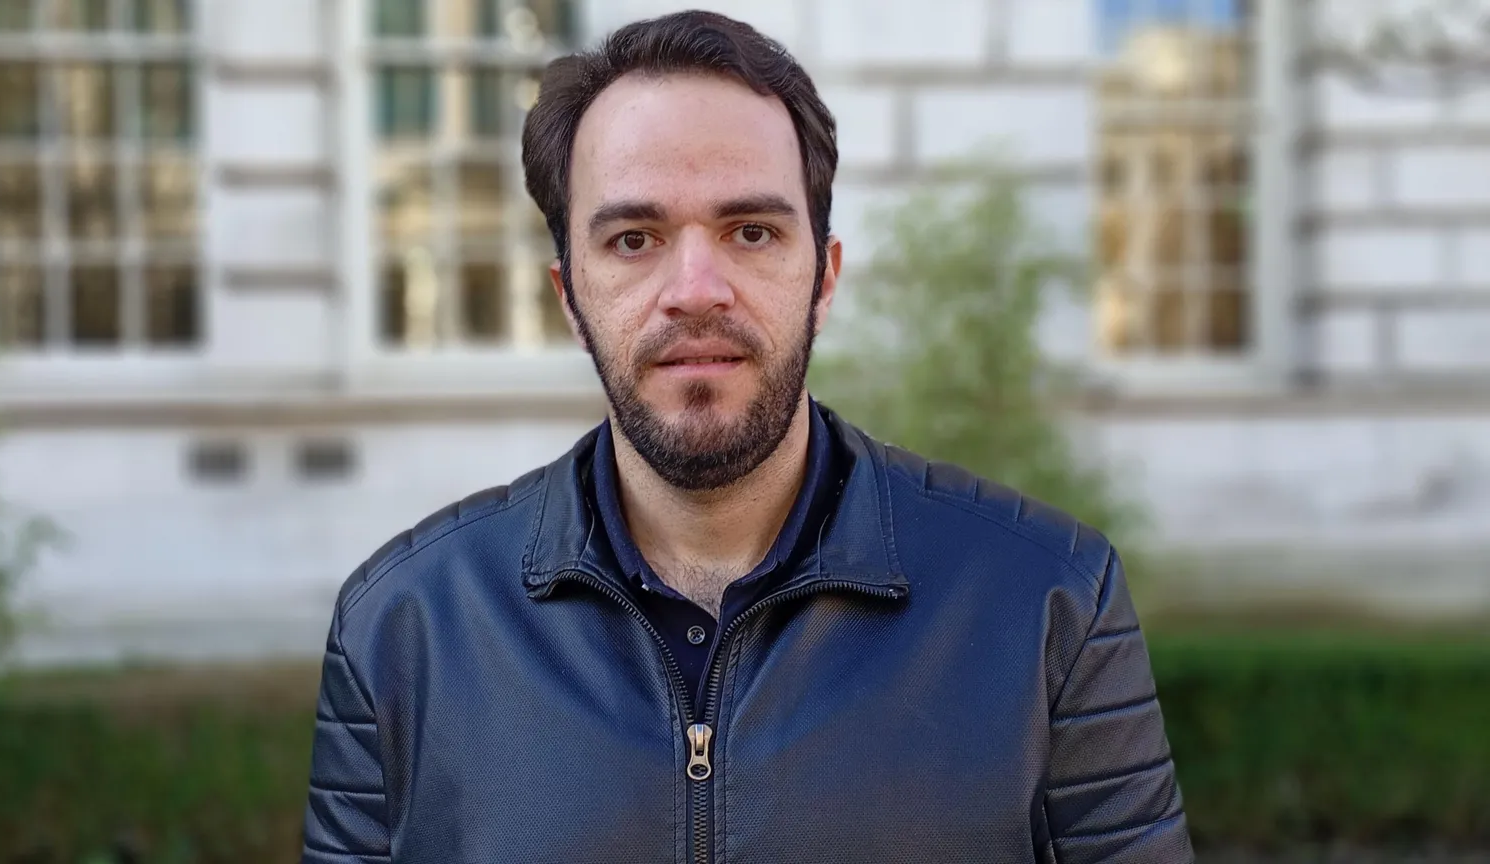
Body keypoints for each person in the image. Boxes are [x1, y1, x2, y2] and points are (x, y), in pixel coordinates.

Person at [300, 10, 1193, 863]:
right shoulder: (402, 629)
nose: (696, 288)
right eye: (634, 238)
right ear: (569, 296)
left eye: (752, 230)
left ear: (824, 278)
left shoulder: (1050, 606)